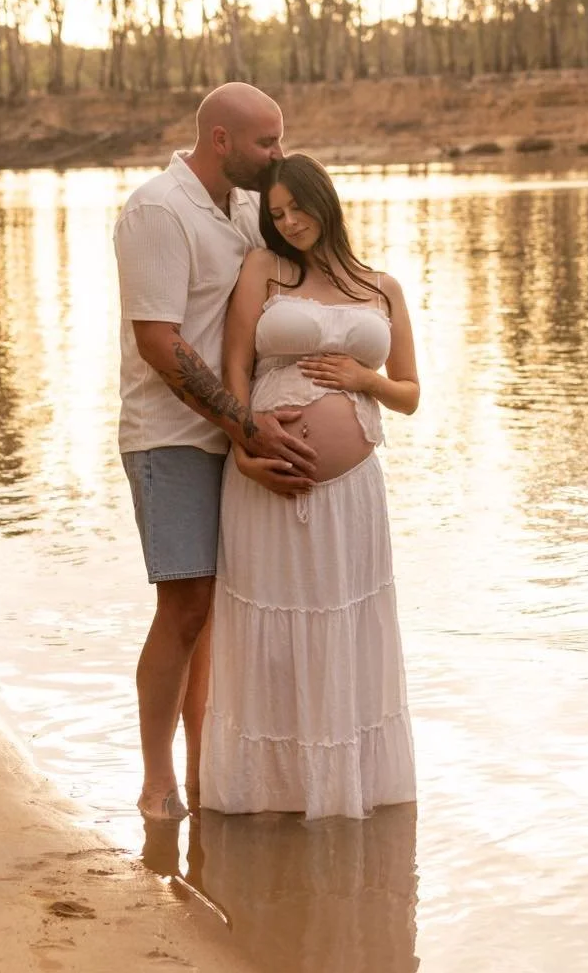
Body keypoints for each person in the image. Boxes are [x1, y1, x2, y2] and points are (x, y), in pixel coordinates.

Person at [114, 83, 317, 823]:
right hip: (169, 437)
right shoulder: (157, 211)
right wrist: (246, 426)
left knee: (216, 614)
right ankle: (155, 780)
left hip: (228, 432)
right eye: (267, 142)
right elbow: (159, 343)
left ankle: (208, 772)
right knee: (185, 604)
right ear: (223, 139)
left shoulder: (243, 210)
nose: (279, 155)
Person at [199, 152, 420, 819]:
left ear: (326, 201)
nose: (290, 222)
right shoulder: (263, 270)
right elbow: (234, 364)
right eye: (277, 214)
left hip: (351, 498)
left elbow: (409, 393)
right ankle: (270, 797)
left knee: (343, 625)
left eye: (297, 207)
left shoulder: (381, 285)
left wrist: (364, 380)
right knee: (270, 631)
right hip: (267, 484)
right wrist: (243, 445)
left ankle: (342, 794)